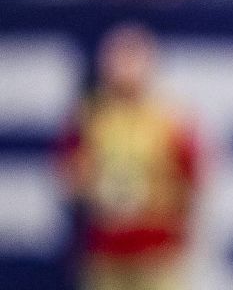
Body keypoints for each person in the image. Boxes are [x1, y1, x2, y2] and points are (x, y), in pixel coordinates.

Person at [57, 23, 201, 290]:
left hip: (157, 251)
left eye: (133, 58)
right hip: (105, 251)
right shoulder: (90, 117)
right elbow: (68, 177)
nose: (126, 69)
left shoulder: (171, 118)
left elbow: (193, 180)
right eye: (119, 58)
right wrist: (94, 187)